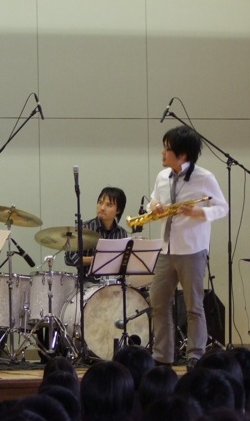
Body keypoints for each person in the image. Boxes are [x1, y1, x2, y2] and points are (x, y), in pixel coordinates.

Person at [146, 125, 228, 368]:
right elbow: (153, 199)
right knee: (158, 301)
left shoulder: (205, 177)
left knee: (194, 306)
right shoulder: (162, 177)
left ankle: (195, 355)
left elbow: (223, 208)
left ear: (182, 154)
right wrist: (153, 207)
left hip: (192, 250)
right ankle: (162, 356)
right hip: (166, 248)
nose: (162, 153)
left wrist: (198, 213)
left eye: (167, 149)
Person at [64, 186, 129, 277]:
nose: (102, 208)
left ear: (118, 210)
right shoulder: (84, 228)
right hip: (87, 281)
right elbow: (69, 258)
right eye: (100, 202)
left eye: (108, 205)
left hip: (113, 282)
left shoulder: (122, 233)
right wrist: (96, 260)